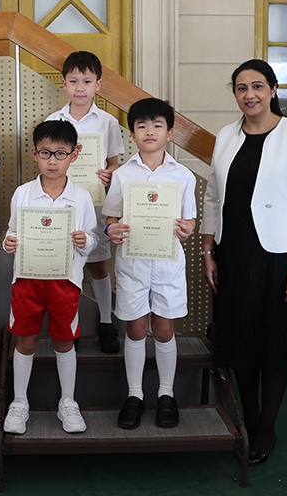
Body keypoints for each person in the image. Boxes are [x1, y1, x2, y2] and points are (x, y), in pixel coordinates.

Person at [201, 59, 287, 465]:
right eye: (241, 88)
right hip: (233, 253)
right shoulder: (225, 136)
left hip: (280, 256)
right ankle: (248, 420)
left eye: (257, 86)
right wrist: (208, 251)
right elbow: (213, 197)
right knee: (241, 339)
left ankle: (266, 426)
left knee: (275, 342)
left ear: (273, 90)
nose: (249, 94)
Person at [103, 98, 196, 430]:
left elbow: (189, 220)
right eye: (141, 126)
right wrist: (111, 230)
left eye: (157, 125)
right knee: (136, 328)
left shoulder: (183, 175)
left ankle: (166, 394)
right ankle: (135, 395)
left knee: (164, 328)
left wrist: (187, 229)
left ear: (169, 132)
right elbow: (111, 217)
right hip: (133, 263)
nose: (149, 131)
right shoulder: (123, 175)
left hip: (167, 263)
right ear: (132, 134)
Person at [3, 120, 98, 435]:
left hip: (65, 282)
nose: (52, 161)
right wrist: (8, 243)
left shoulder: (81, 197)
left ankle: (68, 401)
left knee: (64, 340)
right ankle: (19, 402)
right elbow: (11, 232)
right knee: (25, 340)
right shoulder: (23, 194)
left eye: (60, 153)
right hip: (27, 281)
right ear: (34, 154)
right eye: (45, 153)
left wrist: (85, 241)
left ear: (74, 155)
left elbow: (93, 238)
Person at [47, 51, 124, 353]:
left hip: (94, 203)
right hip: (61, 202)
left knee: (98, 265)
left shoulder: (107, 122)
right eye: (74, 81)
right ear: (64, 83)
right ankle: (71, 324)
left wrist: (110, 174)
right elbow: (48, 163)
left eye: (87, 81)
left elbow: (114, 163)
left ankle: (106, 321)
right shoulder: (53, 121)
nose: (80, 87)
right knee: (67, 266)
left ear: (98, 85)